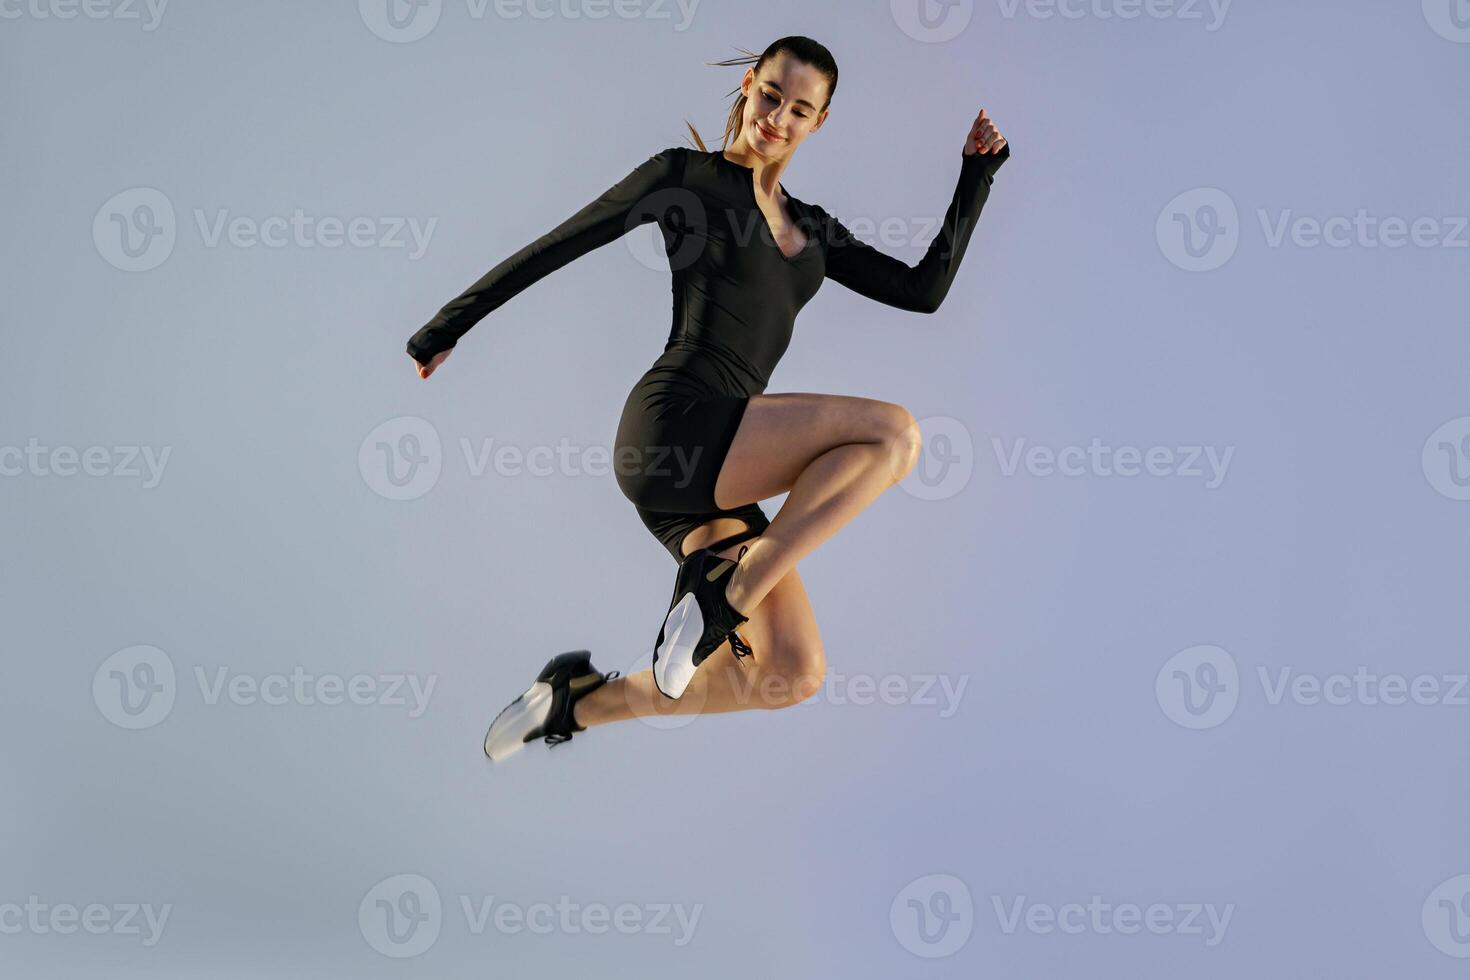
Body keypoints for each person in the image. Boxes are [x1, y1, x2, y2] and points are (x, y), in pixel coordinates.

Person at [404, 36, 1010, 760]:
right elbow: (558, 243)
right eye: (771, 96)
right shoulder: (684, 178)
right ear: (748, 87)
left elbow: (922, 291)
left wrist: (976, 177)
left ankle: (571, 703)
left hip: (713, 482)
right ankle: (725, 594)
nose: (778, 118)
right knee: (895, 436)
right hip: (676, 426)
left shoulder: (814, 228)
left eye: (799, 110)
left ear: (819, 123)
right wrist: (444, 328)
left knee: (792, 673)